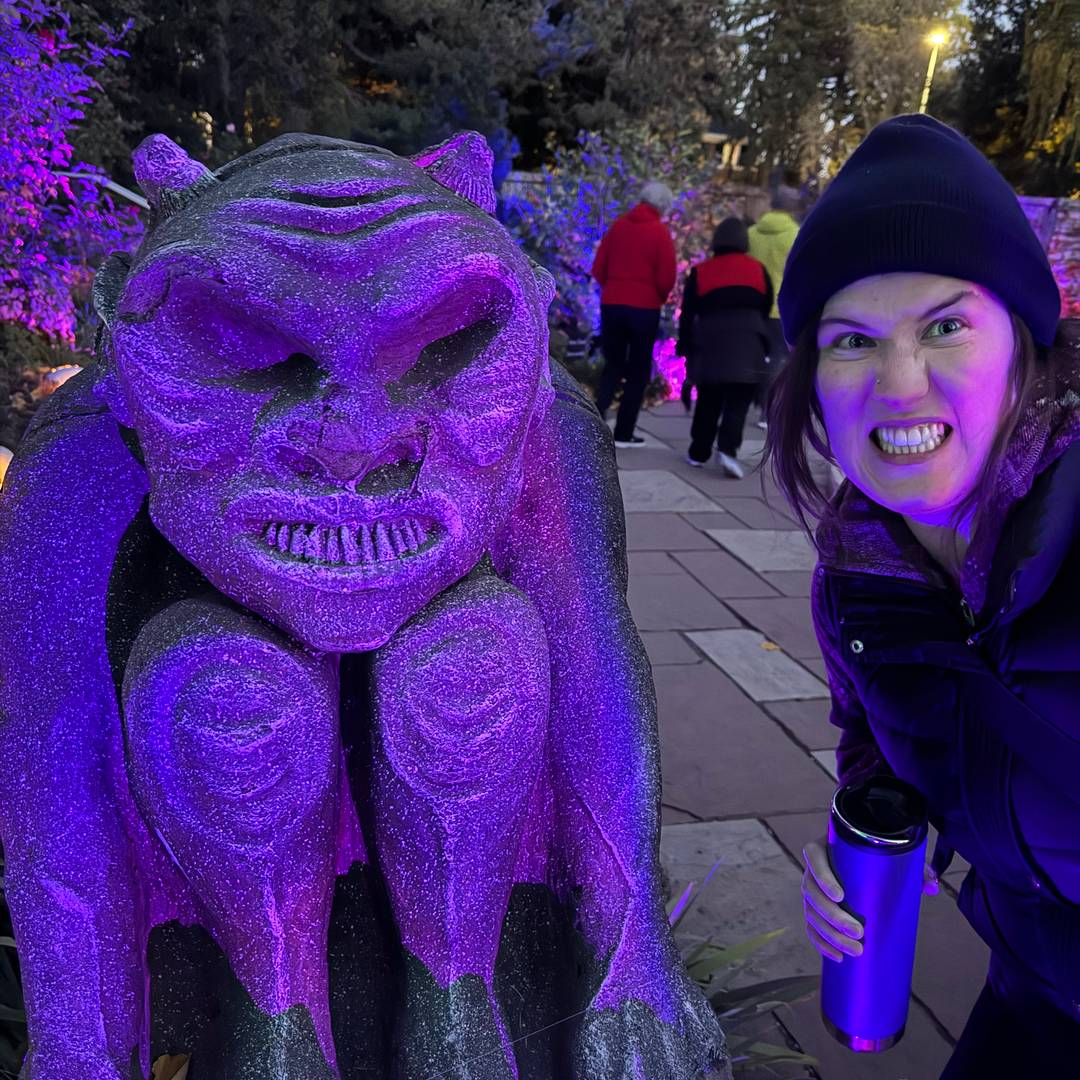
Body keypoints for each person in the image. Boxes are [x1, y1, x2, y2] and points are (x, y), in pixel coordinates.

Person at [762, 113, 1080, 1077]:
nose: (898, 384)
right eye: (852, 340)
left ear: (1024, 344)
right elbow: (873, 743)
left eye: (944, 325)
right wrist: (868, 834)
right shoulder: (858, 583)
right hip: (1032, 996)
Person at [677, 217, 772, 478]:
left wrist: (684, 346)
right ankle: (728, 449)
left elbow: (688, 313)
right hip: (748, 343)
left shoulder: (702, 271)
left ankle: (699, 451)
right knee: (738, 402)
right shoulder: (757, 270)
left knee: (709, 400)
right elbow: (765, 305)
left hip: (711, 344)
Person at [591, 180, 677, 447]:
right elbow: (666, 277)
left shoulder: (618, 227)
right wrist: (657, 297)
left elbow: (598, 267)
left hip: (613, 304)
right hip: (644, 309)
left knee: (612, 366)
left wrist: (613, 289)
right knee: (638, 371)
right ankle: (624, 433)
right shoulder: (660, 233)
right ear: (663, 207)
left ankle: (594, 423)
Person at [748, 183, 801, 428]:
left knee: (757, 356)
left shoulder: (752, 233)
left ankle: (752, 402)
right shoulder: (795, 235)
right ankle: (767, 412)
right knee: (778, 360)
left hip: (754, 303)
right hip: (780, 307)